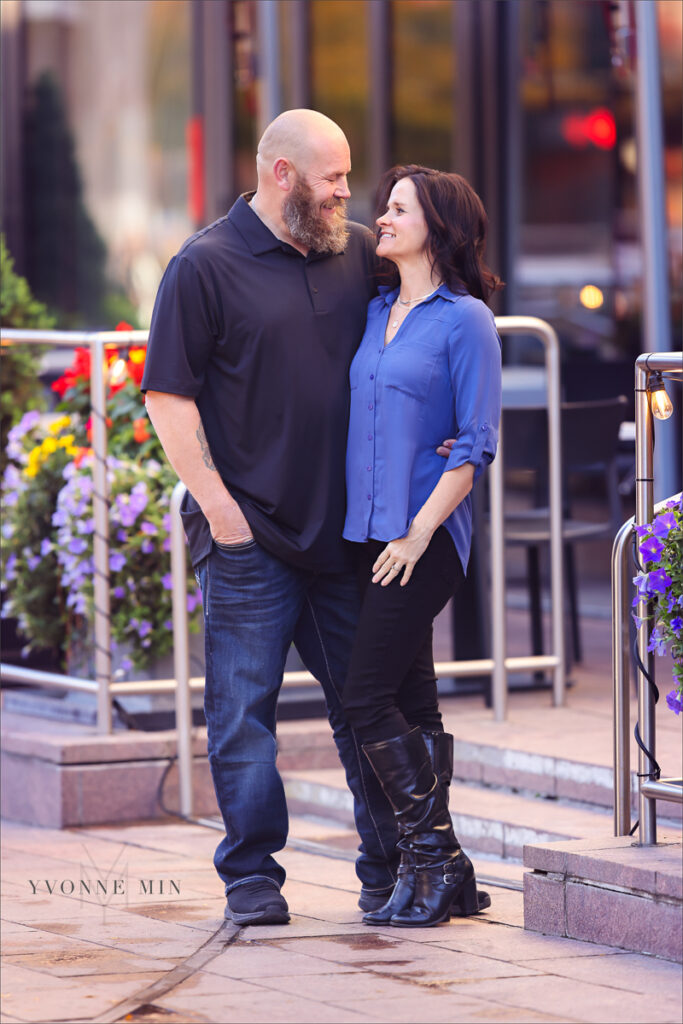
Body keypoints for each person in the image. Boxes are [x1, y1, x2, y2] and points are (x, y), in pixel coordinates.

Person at [142, 109, 404, 926]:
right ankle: (251, 878)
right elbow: (166, 397)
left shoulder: (355, 251)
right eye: (331, 178)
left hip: (344, 537)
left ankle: (388, 868)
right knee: (243, 715)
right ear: (281, 174)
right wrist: (220, 510)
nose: (344, 193)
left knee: (364, 706)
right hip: (248, 535)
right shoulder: (203, 266)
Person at [341, 164, 503, 928]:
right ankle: (448, 871)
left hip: (424, 537)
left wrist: (416, 532)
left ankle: (430, 861)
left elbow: (473, 446)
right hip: (368, 534)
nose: (382, 218)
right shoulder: (376, 311)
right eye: (383, 206)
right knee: (410, 698)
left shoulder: (463, 318)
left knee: (364, 694)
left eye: (397, 208)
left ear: (437, 227)